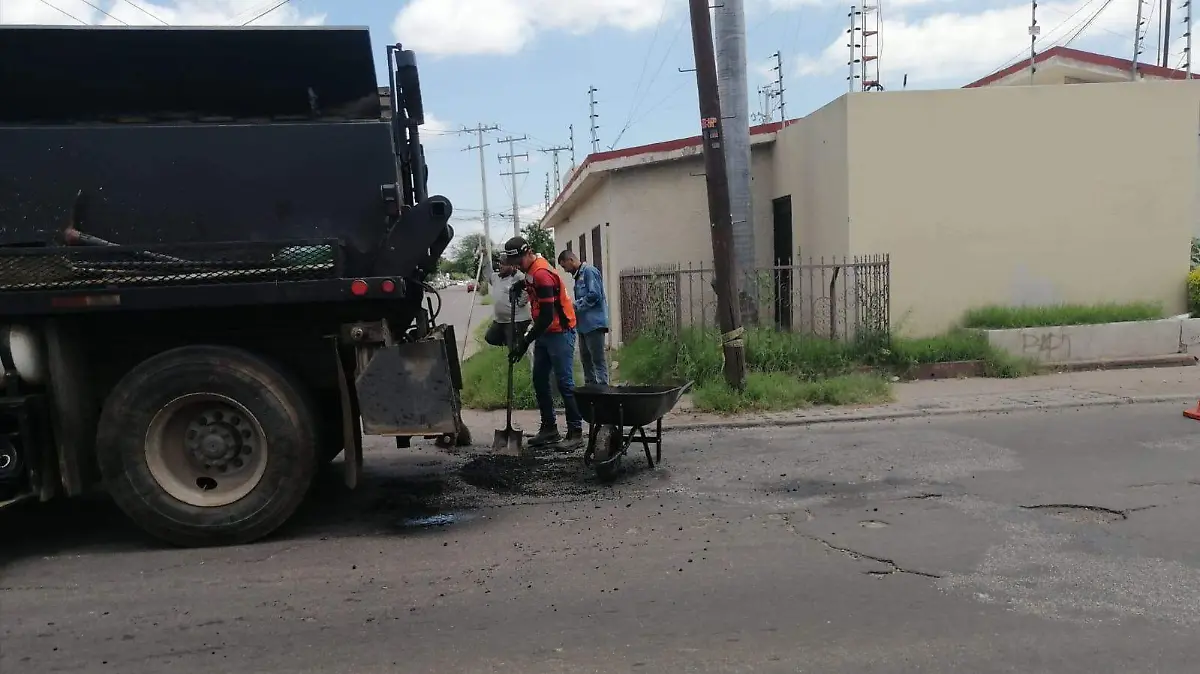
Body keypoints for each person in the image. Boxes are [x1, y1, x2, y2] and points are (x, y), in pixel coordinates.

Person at [503, 236, 584, 450]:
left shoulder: (541, 274)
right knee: (540, 379)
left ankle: (576, 432)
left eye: (519, 262)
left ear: (528, 252)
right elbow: (530, 281)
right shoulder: (531, 271)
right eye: (515, 264)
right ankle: (550, 429)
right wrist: (520, 284)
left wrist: (524, 341)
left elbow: (547, 316)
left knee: (565, 383)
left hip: (560, 332)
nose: (518, 266)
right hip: (546, 333)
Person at [557, 250, 609, 386]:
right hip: (583, 325)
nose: (566, 270)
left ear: (570, 260)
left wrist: (574, 306)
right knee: (585, 359)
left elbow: (594, 294)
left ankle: (602, 390)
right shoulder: (578, 276)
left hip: (594, 324)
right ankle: (590, 389)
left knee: (597, 360)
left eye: (565, 267)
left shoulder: (589, 272)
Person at [483, 257, 531, 350]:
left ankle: (516, 343)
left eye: (504, 264)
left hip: (516, 319)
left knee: (513, 348)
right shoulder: (495, 277)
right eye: (500, 264)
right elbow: (487, 273)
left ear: (512, 265)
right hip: (501, 320)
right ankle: (515, 340)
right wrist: (485, 257)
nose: (501, 266)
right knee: (490, 337)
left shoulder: (518, 277)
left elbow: (527, 290)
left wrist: (520, 302)